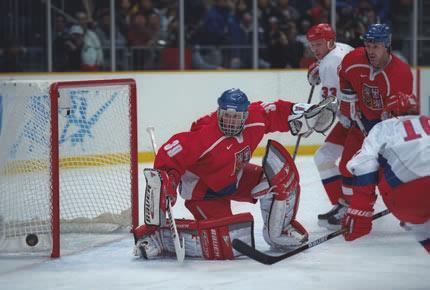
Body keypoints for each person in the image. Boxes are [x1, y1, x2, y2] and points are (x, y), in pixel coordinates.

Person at [133, 88, 336, 260]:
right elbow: (170, 154)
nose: (230, 121)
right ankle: (158, 237)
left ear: (245, 116)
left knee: (281, 176)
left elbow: (276, 111)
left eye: (236, 116)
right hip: (205, 192)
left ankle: (279, 230)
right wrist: (168, 180)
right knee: (225, 243)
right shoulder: (204, 135)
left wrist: (301, 112)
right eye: (226, 115)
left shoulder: (255, 119)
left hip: (235, 177)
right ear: (219, 111)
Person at [323, 23, 414, 229]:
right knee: (348, 166)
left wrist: (385, 133)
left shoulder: (401, 72)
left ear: (387, 46)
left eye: (376, 46)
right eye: (368, 45)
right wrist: (349, 104)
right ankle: (348, 206)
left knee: (389, 175)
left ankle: (410, 210)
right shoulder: (354, 59)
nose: (370, 51)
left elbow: (401, 110)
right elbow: (344, 77)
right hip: (361, 122)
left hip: (388, 130)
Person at [342, 92, 430, 254]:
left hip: (408, 197)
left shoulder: (383, 127)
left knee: (422, 227)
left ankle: (417, 221)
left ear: (389, 113)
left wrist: (360, 212)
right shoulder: (427, 121)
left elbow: (364, 165)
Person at [305, 23, 354, 229]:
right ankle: (345, 204)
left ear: (330, 41)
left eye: (318, 44)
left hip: (353, 120)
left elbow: (330, 105)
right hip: (355, 116)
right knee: (326, 157)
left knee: (346, 164)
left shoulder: (330, 63)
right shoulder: (342, 48)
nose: (315, 49)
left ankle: (350, 206)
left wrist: (310, 121)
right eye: (312, 45)